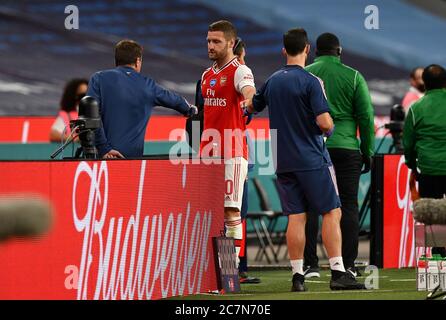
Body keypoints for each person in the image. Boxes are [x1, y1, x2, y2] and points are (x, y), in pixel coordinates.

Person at [244, 28, 365, 291]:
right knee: (332, 211)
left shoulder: (273, 80)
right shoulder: (311, 82)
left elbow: (251, 105)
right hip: (312, 159)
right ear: (307, 49)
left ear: (284, 50)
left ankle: (298, 277)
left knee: (296, 217)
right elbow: (323, 122)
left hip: (284, 160)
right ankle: (337, 273)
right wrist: (331, 127)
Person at [303, 33, 375, 278]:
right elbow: (365, 117)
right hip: (346, 148)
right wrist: (367, 151)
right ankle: (348, 266)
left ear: (315, 52)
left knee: (312, 206)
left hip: (313, 147)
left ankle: (310, 265)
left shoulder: (306, 74)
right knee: (348, 205)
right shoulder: (354, 76)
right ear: (339, 51)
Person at [200, 20, 256, 268]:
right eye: (209, 41)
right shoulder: (206, 74)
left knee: (231, 212)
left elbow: (249, 91)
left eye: (216, 42)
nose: (211, 46)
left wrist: (249, 100)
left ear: (231, 43)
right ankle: (215, 271)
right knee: (211, 214)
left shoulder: (239, 71)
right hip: (208, 153)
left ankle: (230, 271)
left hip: (231, 152)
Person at [87, 39, 197, 159]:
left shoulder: (98, 79)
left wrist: (104, 148)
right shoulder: (148, 85)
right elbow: (177, 101)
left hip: (100, 158)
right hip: (133, 162)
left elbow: (90, 114)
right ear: (138, 61)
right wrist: (191, 110)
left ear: (117, 60)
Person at [403, 64, 446, 258]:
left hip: (428, 168)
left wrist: (413, 165)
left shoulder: (416, 108)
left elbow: (408, 144)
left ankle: (438, 257)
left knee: (433, 216)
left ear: (424, 84)